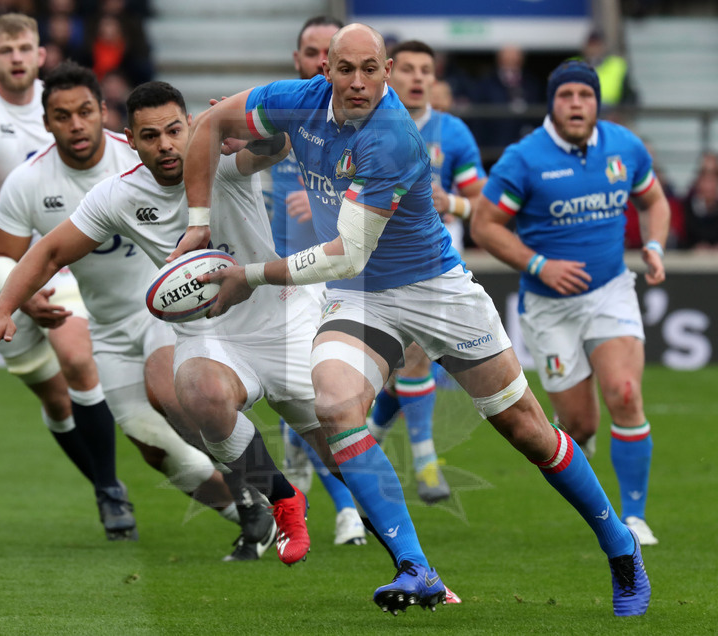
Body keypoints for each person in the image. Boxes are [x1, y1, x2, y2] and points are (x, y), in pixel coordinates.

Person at [177, 24, 651, 616]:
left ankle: (619, 543)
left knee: (526, 428)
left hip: (434, 288)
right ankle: (416, 568)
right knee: (334, 408)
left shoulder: (393, 137)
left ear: (387, 67)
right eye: (344, 69)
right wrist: (199, 221)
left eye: (369, 69)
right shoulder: (294, 101)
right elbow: (212, 124)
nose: (357, 82)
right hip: (360, 297)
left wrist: (243, 275)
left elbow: (346, 252)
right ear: (324, 69)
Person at [0, 80, 315, 567]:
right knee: (154, 445)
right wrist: (4, 307)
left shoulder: (200, 157)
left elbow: (271, 148)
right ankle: (252, 507)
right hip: (120, 326)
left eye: (175, 130)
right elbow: (37, 251)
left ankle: (268, 496)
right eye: (151, 136)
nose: (166, 144)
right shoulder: (59, 185)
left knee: (182, 398)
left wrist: (250, 131)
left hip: (185, 312)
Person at [0, 13, 135, 540]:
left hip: (60, 263)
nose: (18, 59)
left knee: (77, 359)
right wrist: (36, 204)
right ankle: (106, 482)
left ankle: (115, 491)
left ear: (40, 53)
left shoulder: (61, 103)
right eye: (7, 52)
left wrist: (60, 227)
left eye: (25, 48)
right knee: (52, 397)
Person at [471, 59, 670, 549]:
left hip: (610, 291)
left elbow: (655, 202)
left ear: (597, 102)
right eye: (566, 96)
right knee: (578, 425)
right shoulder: (524, 158)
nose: (577, 104)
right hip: (548, 305)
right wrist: (540, 265)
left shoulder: (624, 146)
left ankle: (636, 518)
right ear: (552, 103)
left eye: (585, 95)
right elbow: (484, 225)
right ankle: (587, 451)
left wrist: (655, 245)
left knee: (625, 393)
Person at [365, 39, 487, 505]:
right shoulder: (367, 126)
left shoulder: (452, 132)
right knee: (398, 365)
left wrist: (452, 202)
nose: (418, 78)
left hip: (431, 259)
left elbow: (484, 203)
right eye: (409, 69)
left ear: (435, 81)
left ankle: (425, 462)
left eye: (426, 71)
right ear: (391, 75)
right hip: (371, 256)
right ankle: (373, 438)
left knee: (413, 356)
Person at [268, 14, 367, 548]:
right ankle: (343, 506)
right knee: (307, 393)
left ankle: (351, 498)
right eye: (311, 53)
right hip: (291, 278)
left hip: (352, 281)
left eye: (325, 54)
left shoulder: (370, 124)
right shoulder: (283, 121)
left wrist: (334, 200)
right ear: (305, 61)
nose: (318, 63)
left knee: (332, 400)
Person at [682, 151, 718, 251]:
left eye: (713, 179)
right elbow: (683, 240)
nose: (708, 186)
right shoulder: (687, 207)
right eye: (705, 178)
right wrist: (695, 248)